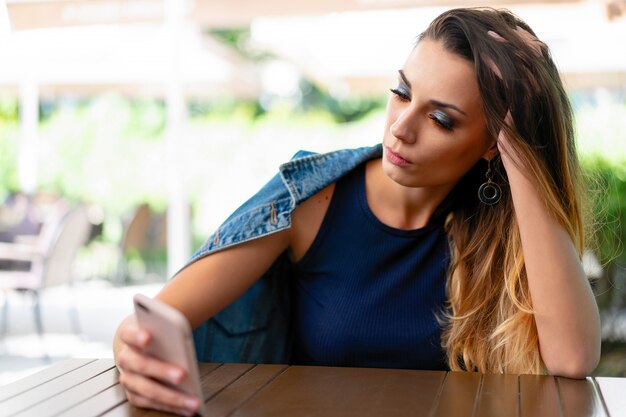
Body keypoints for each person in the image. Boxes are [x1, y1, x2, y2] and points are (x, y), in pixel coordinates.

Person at [113, 7, 601, 416]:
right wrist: (129, 346)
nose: (401, 129)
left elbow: (573, 358)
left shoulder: (506, 234)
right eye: (402, 92)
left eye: (440, 119)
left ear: (491, 144)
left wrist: (521, 154)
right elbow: (156, 320)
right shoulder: (312, 199)